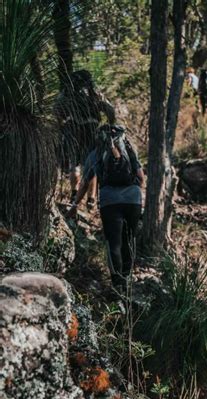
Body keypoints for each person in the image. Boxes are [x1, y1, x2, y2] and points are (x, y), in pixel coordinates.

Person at [67, 124, 144, 292]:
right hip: (133, 201)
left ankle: (117, 284)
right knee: (129, 240)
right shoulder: (130, 150)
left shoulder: (95, 154)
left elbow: (85, 182)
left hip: (110, 202)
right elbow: (141, 178)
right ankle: (127, 278)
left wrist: (75, 205)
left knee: (113, 242)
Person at [55, 70, 116, 207]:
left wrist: (62, 124)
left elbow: (57, 109)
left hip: (73, 130)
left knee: (74, 165)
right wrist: (110, 124)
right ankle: (91, 198)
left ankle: (74, 193)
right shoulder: (95, 94)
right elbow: (110, 110)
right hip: (92, 131)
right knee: (91, 165)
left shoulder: (67, 93)